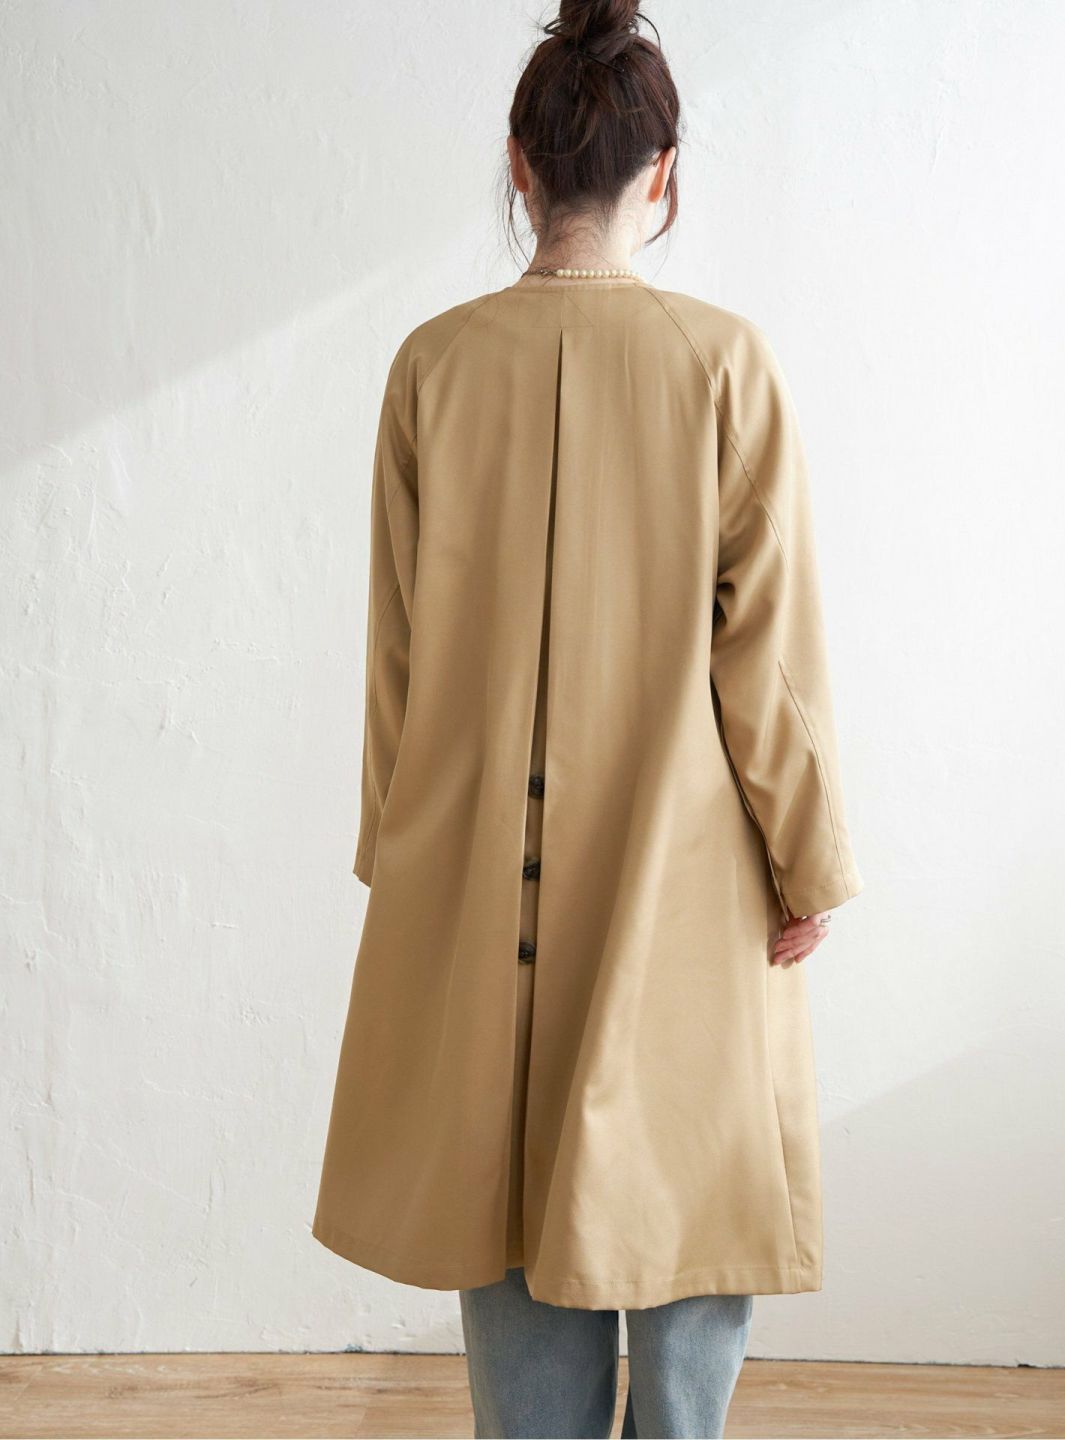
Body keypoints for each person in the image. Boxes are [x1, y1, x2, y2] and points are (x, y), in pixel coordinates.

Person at [311, 1, 865, 1434]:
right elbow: (769, 659)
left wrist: (400, 859)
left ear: (520, 164)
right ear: (662, 172)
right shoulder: (723, 363)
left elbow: (396, 658)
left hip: (486, 889)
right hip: (683, 885)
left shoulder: (433, 368)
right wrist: (808, 863)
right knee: (687, 1233)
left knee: (507, 1224)